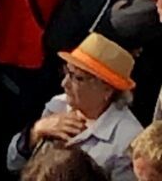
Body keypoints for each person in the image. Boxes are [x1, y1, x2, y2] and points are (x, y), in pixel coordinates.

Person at [8, 35, 143, 179]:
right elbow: (13, 163)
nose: (64, 83)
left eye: (77, 78)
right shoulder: (58, 105)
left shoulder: (128, 139)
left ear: (107, 89)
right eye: (66, 72)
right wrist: (35, 132)